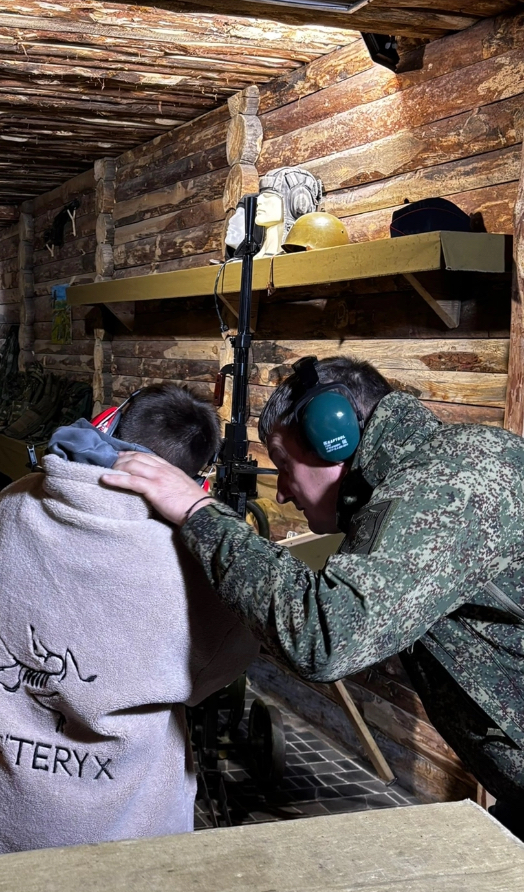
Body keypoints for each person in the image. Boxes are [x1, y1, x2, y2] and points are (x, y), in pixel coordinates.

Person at [102, 356, 524, 837]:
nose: (282, 492)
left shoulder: (455, 482)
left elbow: (327, 636)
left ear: (333, 434)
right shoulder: (431, 469)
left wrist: (197, 510)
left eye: (284, 464)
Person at [0, 383, 258, 857]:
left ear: (109, 425)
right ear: (192, 477)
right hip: (129, 819)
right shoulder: (192, 559)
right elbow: (220, 665)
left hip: (4, 805)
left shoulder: (10, 505)